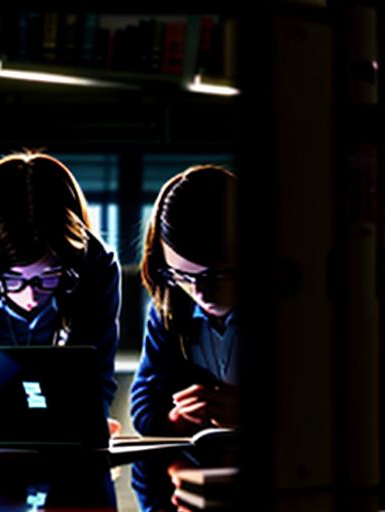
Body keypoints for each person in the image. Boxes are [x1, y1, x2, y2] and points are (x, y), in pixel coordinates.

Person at [0, 150, 122, 439]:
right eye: (13, 279)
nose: (32, 298)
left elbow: (96, 377)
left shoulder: (94, 266)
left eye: (48, 276)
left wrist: (90, 422)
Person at [130, 163, 240, 511]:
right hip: (197, 475)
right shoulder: (169, 308)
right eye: (182, 274)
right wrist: (179, 418)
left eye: (218, 274)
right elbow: (143, 407)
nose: (201, 292)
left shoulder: (296, 312)